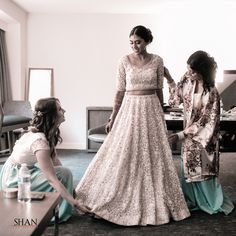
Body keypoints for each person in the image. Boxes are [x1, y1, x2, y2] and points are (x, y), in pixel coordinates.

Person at [75, 25, 190, 226]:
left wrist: (161, 114)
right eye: (131, 42)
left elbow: (159, 90)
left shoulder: (157, 60)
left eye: (138, 42)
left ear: (147, 41)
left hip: (152, 109)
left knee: (152, 152)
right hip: (129, 107)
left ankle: (157, 197)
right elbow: (119, 91)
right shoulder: (124, 61)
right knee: (124, 150)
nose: (134, 46)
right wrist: (113, 116)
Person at [164, 50, 234, 215]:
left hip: (204, 138)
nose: (189, 73)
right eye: (188, 69)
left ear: (202, 71)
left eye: (193, 71)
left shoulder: (212, 93)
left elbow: (205, 122)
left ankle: (211, 201)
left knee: (203, 170)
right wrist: (170, 80)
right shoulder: (187, 79)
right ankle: (193, 201)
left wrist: (181, 135)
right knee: (187, 170)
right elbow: (175, 99)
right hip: (189, 135)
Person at [0, 97, 81, 223]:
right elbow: (52, 179)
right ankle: (57, 213)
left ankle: (62, 200)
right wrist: (75, 203)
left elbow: (55, 162)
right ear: (52, 116)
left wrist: (72, 191)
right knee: (63, 174)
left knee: (63, 172)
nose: (64, 111)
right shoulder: (39, 142)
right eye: (60, 109)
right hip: (15, 179)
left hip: (16, 171)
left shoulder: (44, 134)